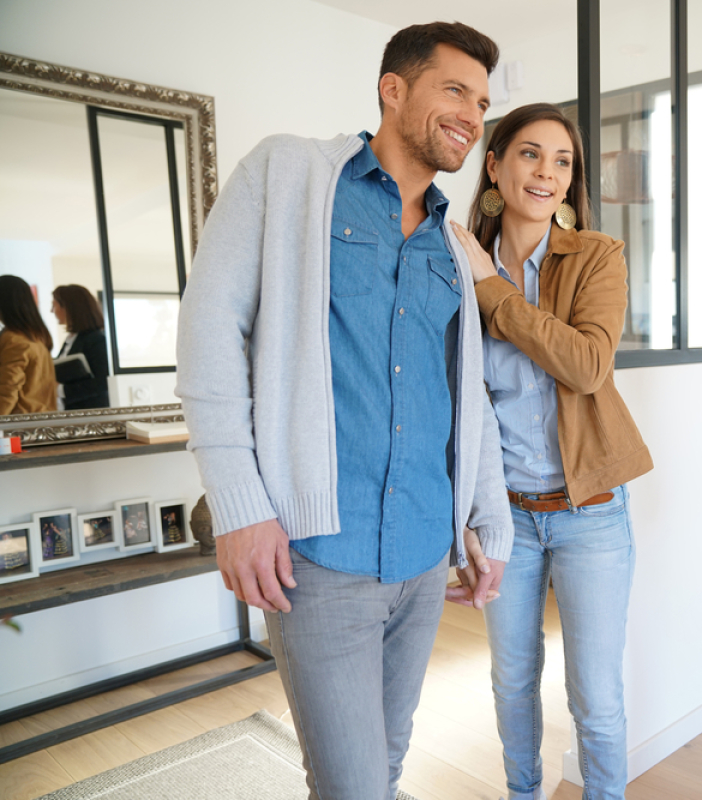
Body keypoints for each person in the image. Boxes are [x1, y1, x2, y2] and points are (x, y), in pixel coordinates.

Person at [174, 22, 514, 800]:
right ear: (393, 89)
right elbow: (208, 330)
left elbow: (467, 400)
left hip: (427, 554)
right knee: (356, 784)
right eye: (454, 89)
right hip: (319, 555)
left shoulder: (453, 247)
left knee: (380, 770)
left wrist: (482, 516)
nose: (472, 114)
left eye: (484, 101)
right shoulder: (289, 173)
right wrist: (238, 505)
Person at [449, 103, 653, 800]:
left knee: (595, 697)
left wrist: (494, 292)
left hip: (590, 509)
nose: (547, 173)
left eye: (562, 161)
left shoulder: (596, 256)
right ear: (496, 165)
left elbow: (588, 364)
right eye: (531, 155)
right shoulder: (453, 264)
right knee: (511, 683)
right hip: (503, 513)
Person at [0, 275, 57, 415]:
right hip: (39, 418)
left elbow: (7, 390)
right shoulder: (36, 335)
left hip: (20, 424)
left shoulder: (15, 339)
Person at [51, 284, 110, 409]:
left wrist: (60, 389)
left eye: (54, 305)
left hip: (90, 416)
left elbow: (103, 382)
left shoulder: (96, 339)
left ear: (68, 307)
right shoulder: (72, 339)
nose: (52, 310)